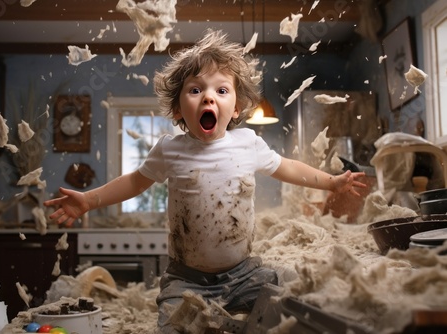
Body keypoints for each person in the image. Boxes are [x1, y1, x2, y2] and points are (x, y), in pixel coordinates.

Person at [44, 29, 366, 333]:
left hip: (245, 274)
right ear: (177, 110)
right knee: (172, 325)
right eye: (196, 90)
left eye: (221, 90)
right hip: (186, 280)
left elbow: (289, 168)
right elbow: (133, 182)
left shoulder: (249, 143)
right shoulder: (170, 150)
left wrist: (330, 183)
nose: (208, 98)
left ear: (236, 106)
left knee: (297, 294)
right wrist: (89, 200)